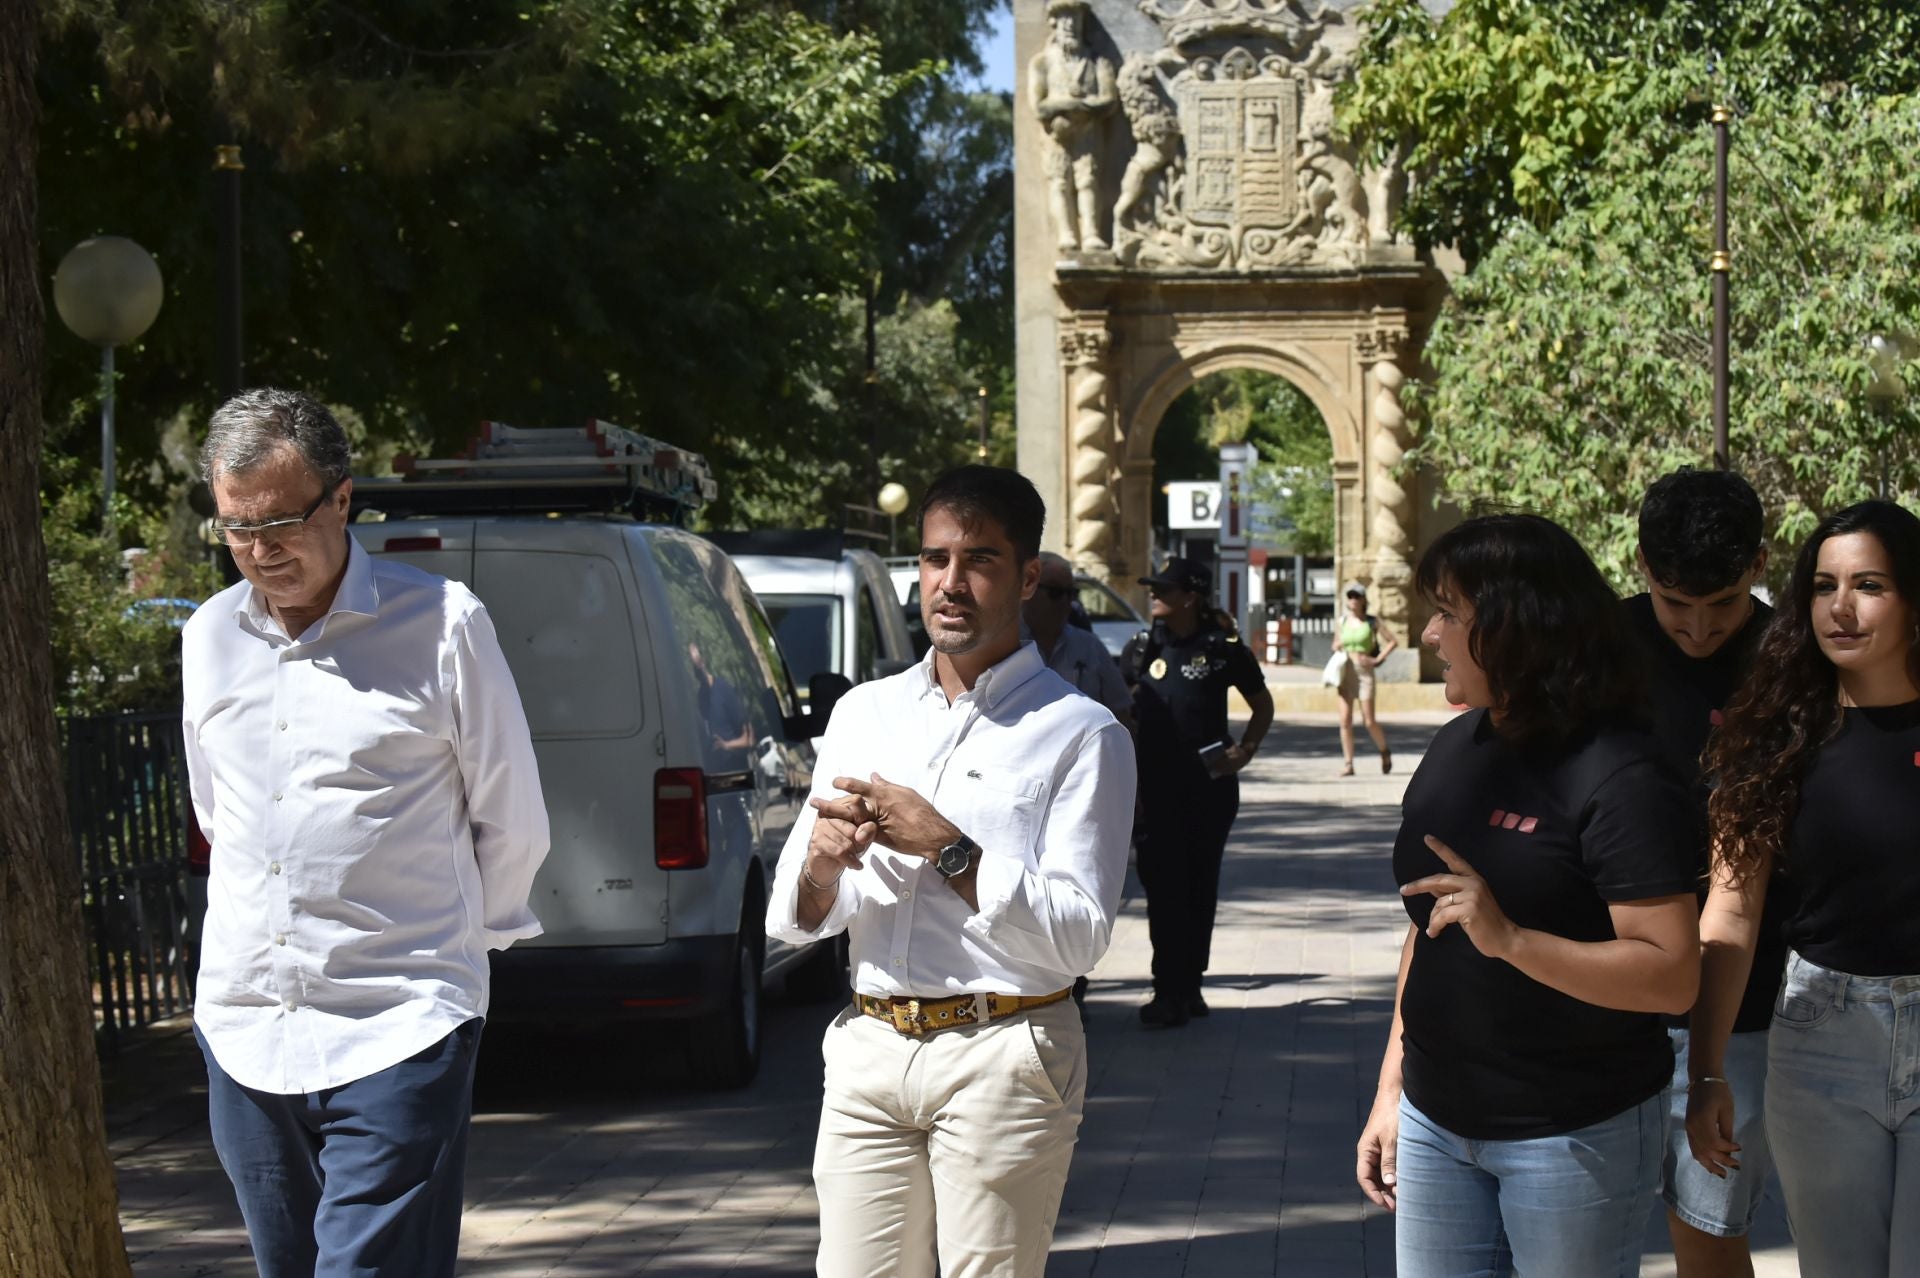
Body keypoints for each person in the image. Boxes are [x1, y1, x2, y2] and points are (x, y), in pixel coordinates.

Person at [181, 389, 549, 1278]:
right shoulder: (208, 638)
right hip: (246, 1029)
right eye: (236, 528)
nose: (260, 551)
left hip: (401, 1021)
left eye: (282, 522)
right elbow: (218, 813)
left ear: (342, 499)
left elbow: (512, 817)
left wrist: (454, 962)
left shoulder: (443, 625)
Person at [765, 465, 1136, 1278]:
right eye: (936, 560)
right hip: (868, 1048)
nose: (951, 584)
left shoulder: (1082, 733)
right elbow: (791, 916)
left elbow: (1080, 939)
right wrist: (823, 868)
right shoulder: (866, 712)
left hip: (1003, 1049)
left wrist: (950, 847)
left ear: (1028, 576)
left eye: (980, 561)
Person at [1355, 513, 1701, 1278]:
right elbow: (1430, 927)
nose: (1431, 635)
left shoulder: (1619, 775)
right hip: (1437, 1118)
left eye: (1450, 614)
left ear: (1517, 627)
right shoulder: (1459, 744)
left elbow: (1673, 974)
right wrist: (1392, 1089)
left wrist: (1512, 940)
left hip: (1574, 1132)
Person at [1691, 499, 1920, 1277]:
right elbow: (1730, 913)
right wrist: (1706, 1071)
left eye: (1870, 585)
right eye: (1824, 586)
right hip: (1821, 1040)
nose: (1841, 608)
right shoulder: (1771, 735)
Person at [1625, 468, 1779, 1278]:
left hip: (1747, 997)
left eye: (1720, 607)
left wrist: (1711, 1064)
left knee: (1708, 1234)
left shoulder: (1795, 656)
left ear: (1759, 563)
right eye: (1674, 605)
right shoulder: (1596, 650)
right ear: (1642, 566)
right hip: (1608, 991)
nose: (1695, 631)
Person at [1126, 556, 1274, 1028]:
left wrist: (1246, 750)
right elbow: (1122, 712)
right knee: (1161, 884)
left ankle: (1188, 986)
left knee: (1197, 885)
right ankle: (1168, 986)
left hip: (1207, 788)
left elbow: (1261, 704)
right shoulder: (1142, 646)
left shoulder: (1222, 647)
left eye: (1164, 589)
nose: (1154, 595)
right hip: (1154, 787)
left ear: (1190, 595)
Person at [1028, 0, 1116, 254]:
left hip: (1088, 132)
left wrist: (1082, 109)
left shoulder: (1098, 62)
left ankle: (1090, 234)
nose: (1069, 25)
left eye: (1074, 18)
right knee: (1059, 182)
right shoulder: (1042, 63)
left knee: (1088, 181)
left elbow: (1109, 100)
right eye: (1064, 18)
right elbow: (1039, 106)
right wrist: (1069, 104)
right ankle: (1066, 234)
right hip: (1057, 134)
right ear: (1054, 24)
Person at [1023, 550, 1134, 729]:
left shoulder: (1089, 647)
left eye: (1072, 593)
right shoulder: (1005, 646)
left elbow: (1121, 710)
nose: (1066, 602)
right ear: (1029, 588)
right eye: (1056, 593)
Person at [1333, 581, 1398, 776]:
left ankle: (1384, 750)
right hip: (1345, 670)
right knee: (1345, 719)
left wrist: (1377, 659)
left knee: (1368, 720)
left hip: (1364, 672)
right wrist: (1337, 646)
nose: (1353, 600)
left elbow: (1393, 641)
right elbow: (1335, 642)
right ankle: (1348, 763)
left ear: (1363, 600)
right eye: (1350, 596)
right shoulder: (1342, 621)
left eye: (1356, 596)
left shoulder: (1371, 621)